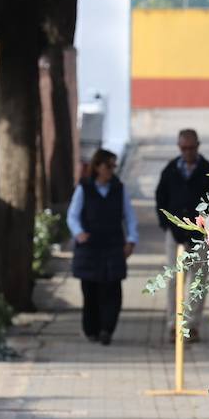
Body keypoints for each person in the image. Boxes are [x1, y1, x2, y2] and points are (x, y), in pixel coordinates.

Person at [154, 128, 209, 343]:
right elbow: (160, 199)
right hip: (174, 236)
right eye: (183, 148)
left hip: (200, 236)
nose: (187, 152)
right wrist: (166, 225)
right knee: (174, 280)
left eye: (191, 148)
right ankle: (173, 324)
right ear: (179, 147)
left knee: (199, 282)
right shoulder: (170, 170)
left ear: (198, 146)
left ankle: (192, 325)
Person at [66, 148, 137, 345]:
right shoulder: (85, 188)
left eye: (114, 166)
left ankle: (107, 329)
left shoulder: (119, 189)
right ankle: (92, 330)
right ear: (97, 167)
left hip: (113, 244)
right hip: (90, 246)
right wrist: (78, 233)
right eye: (108, 166)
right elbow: (73, 214)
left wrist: (131, 239)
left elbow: (129, 216)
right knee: (91, 291)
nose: (111, 170)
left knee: (112, 289)